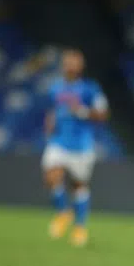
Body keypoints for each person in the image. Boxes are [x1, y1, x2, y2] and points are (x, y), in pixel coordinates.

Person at [42, 49, 109, 247]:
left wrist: (81, 111)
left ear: (81, 66)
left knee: (79, 186)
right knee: (52, 175)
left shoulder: (90, 89)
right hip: (59, 142)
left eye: (74, 62)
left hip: (81, 145)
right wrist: (50, 123)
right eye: (67, 62)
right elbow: (53, 110)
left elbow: (103, 114)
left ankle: (79, 227)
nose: (70, 66)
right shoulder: (55, 88)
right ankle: (63, 212)